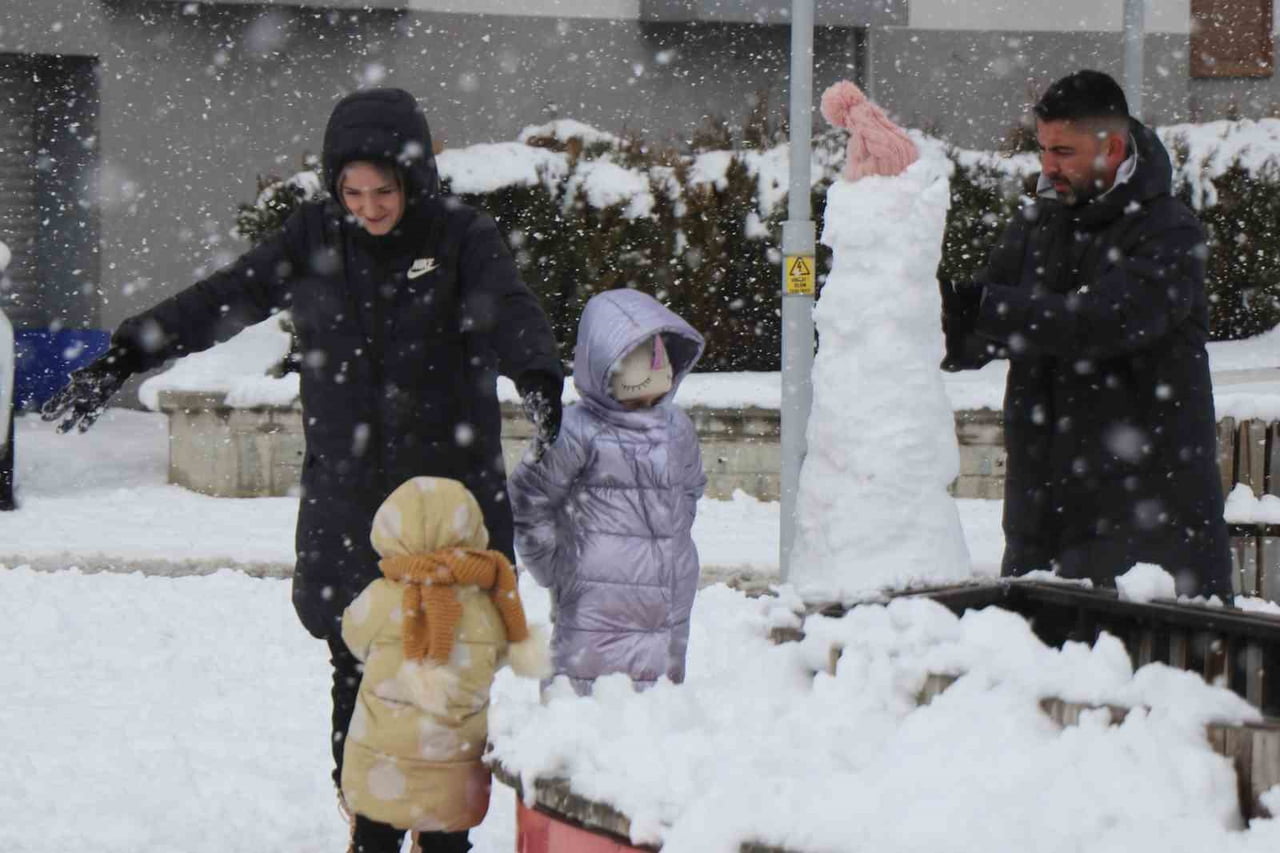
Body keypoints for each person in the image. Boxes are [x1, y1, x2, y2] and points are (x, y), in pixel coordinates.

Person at [39, 88, 564, 846]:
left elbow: (507, 307)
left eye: (385, 191)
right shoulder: (313, 238)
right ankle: (370, 820)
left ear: (415, 179)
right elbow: (221, 299)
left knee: (450, 672)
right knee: (354, 667)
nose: (370, 208)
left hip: (444, 501)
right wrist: (126, 353)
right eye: (353, 192)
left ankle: (444, 829)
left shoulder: (460, 237)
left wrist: (538, 375)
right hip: (350, 499)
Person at [939, 69, 1232, 600]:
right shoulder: (1038, 223)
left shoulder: (1168, 231)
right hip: (1041, 522)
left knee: (1140, 655)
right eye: (1043, 148)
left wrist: (982, 306)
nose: (1048, 165)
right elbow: (983, 330)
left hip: (1148, 532)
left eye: (1063, 151)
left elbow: (1100, 322)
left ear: (1112, 148)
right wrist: (920, 311)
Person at [508, 288, 706, 694]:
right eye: (639, 356)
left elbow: (690, 488)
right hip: (594, 598)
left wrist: (674, 547)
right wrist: (555, 566)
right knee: (586, 695)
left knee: (658, 698)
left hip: (668, 598)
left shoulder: (677, 427)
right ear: (605, 362)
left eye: (659, 354)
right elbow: (529, 500)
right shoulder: (577, 430)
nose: (656, 366)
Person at [339, 476, 548, 853]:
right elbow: (501, 653)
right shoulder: (487, 605)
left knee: (375, 840)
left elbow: (353, 636)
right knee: (445, 844)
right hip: (455, 771)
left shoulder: (380, 599)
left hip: (382, 766)